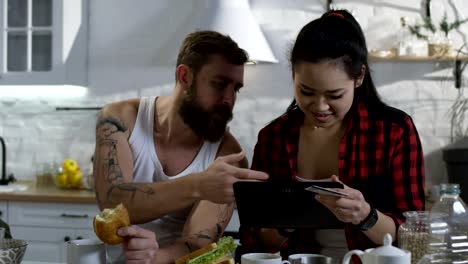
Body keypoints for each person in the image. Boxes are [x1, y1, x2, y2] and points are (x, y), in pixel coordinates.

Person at [237, 9, 425, 261]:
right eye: (306, 92)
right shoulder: (274, 137)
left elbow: (413, 238)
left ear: (359, 77)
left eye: (334, 95)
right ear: (293, 74)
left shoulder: (394, 131)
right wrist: (286, 220)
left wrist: (365, 214)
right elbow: (255, 240)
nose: (320, 106)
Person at [93, 30, 269, 263]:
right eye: (219, 84)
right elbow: (112, 203)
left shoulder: (228, 156)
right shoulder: (121, 119)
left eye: (235, 89)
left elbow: (198, 242)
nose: (229, 98)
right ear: (185, 76)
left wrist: (153, 257)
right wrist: (199, 185)